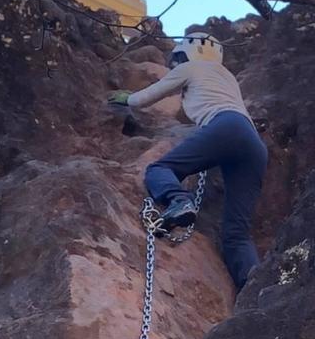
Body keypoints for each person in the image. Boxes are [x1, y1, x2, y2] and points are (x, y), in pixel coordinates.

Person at [108, 32, 267, 290]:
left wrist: (127, 98)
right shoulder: (227, 77)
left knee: (160, 169)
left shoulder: (191, 67)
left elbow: (148, 96)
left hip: (225, 126)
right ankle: (256, 291)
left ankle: (179, 201)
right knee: (237, 234)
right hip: (253, 144)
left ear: (190, 52)